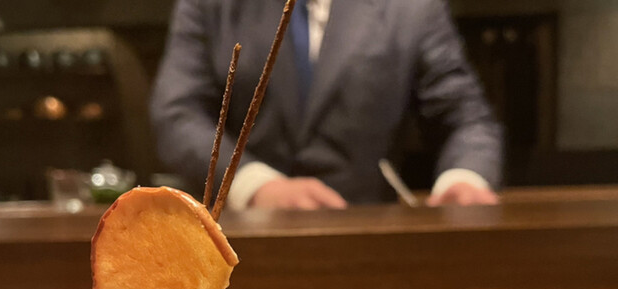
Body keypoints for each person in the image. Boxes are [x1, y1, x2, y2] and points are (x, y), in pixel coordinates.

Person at [150, 0, 503, 211]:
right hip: (238, 240)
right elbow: (176, 112)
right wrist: (255, 185)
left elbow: (467, 118)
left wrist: (464, 178)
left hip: (366, 237)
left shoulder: (411, 7)